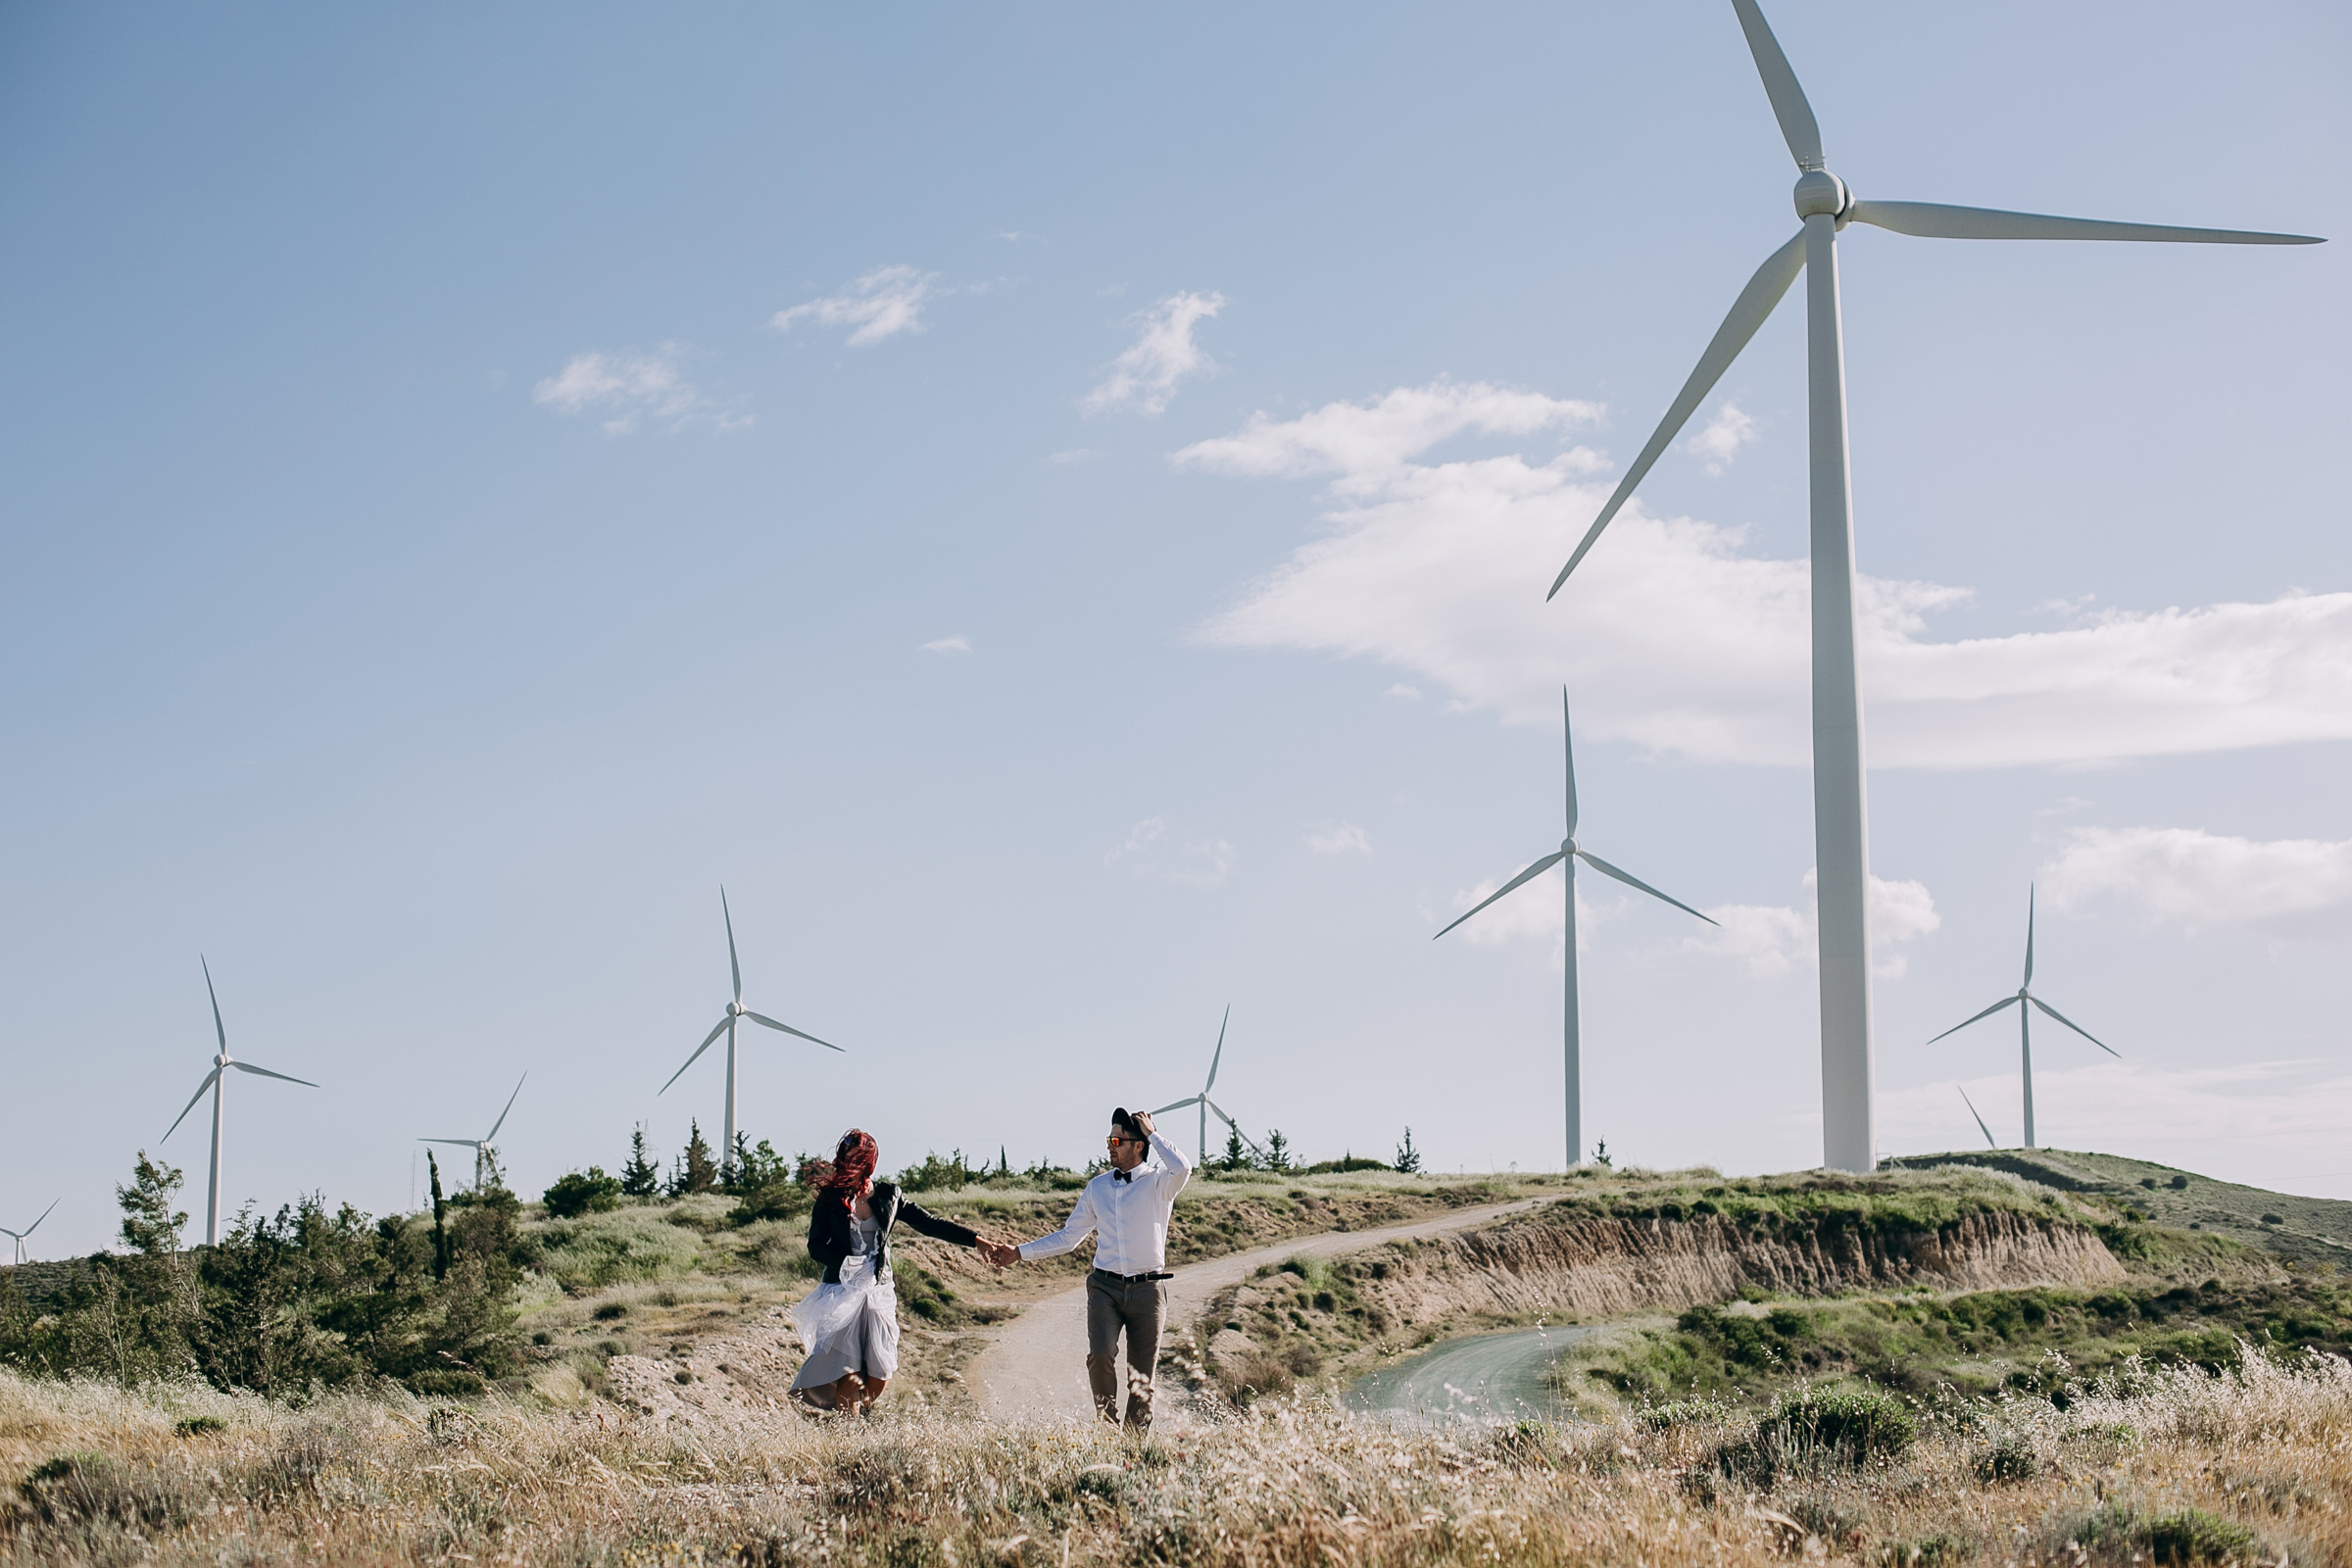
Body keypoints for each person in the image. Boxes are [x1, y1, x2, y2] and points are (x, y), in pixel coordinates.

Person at [981, 1106, 1191, 1429]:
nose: (1110, 1145)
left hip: (1148, 1291)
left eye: (1117, 1140)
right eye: (1109, 1138)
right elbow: (1069, 1237)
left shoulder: (1159, 1184)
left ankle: (1133, 1450)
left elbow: (1183, 1168)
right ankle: (1106, 1428)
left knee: (1142, 1377)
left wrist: (1153, 1133)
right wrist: (1018, 1253)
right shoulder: (1098, 1188)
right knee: (1102, 1354)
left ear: (1138, 1146)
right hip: (1105, 1287)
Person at [789, 1128, 994, 1414]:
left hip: (878, 1291)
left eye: (856, 1159)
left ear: (868, 1163)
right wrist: (847, 1263)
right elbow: (815, 1247)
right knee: (848, 1368)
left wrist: (975, 1240)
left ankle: (857, 1412)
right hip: (842, 1291)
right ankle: (849, 1434)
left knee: (881, 1371)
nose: (849, 1164)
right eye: (846, 1158)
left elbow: (929, 1223)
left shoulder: (888, 1195)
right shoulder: (830, 1198)